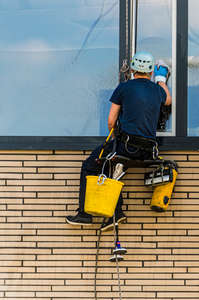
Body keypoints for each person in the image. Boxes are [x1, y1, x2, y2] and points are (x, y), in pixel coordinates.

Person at [66, 51, 171, 231]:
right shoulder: (157, 90)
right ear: (150, 72)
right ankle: (115, 213)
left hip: (126, 146)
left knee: (91, 165)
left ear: (132, 69)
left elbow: (111, 121)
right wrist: (161, 78)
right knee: (111, 166)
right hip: (147, 150)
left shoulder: (124, 87)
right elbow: (168, 100)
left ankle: (85, 214)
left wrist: (114, 139)